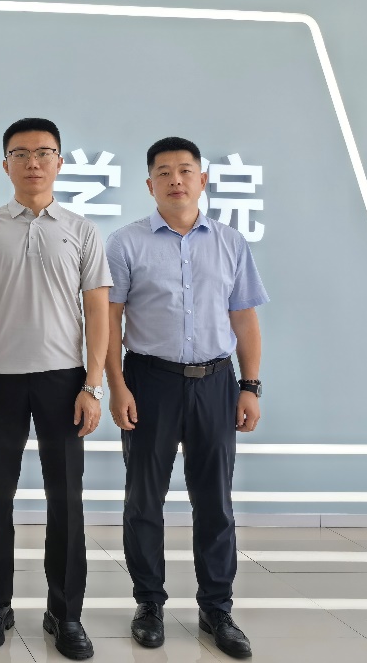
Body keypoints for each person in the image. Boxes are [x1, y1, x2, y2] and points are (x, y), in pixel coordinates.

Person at [105, 137, 267, 660]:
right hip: (149, 380)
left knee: (215, 500)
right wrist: (116, 386)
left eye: (185, 170)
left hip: (216, 382)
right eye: (163, 172)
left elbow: (244, 318)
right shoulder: (125, 244)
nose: (175, 179)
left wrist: (250, 386)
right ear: (149, 183)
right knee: (144, 499)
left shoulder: (230, 242)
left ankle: (216, 608)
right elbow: (108, 322)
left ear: (202, 179)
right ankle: (149, 604)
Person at [0, 118, 110, 660]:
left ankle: (65, 613)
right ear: (6, 165)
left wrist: (93, 385)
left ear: (59, 162)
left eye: (43, 152)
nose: (32, 162)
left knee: (65, 501)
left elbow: (98, 312)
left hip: (64, 380)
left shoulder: (81, 229)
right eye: (20, 154)